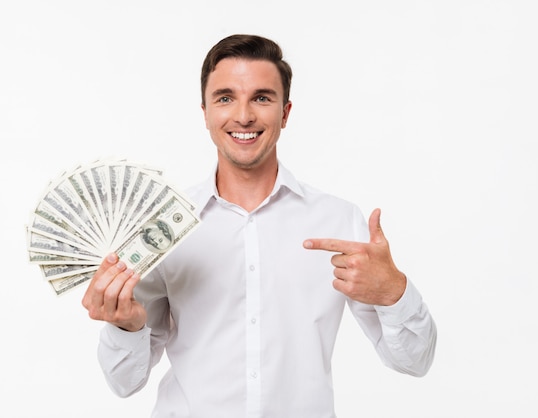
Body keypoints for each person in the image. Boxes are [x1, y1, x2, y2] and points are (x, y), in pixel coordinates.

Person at [82, 34, 437, 418]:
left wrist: (394, 293)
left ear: (285, 113)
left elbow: (414, 362)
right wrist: (127, 327)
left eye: (262, 98)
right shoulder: (161, 228)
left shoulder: (338, 221)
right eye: (225, 98)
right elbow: (123, 383)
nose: (244, 115)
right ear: (204, 112)